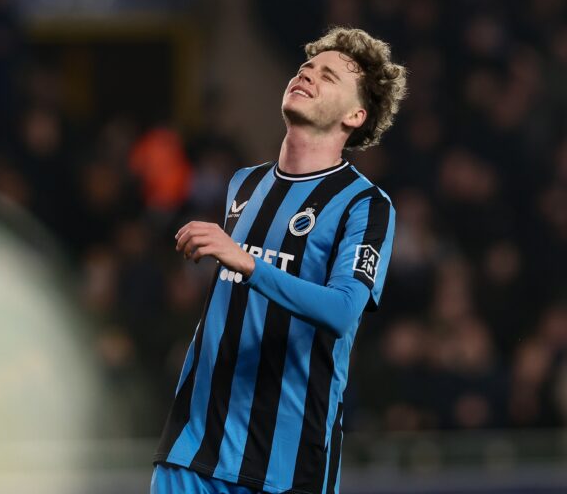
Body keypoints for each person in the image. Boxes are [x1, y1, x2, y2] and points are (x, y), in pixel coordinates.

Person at [151, 27, 407, 494]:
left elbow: (343, 309)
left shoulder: (365, 205)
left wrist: (246, 261)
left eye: (328, 76)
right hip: (190, 451)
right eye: (306, 68)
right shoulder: (244, 185)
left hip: (283, 467)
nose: (307, 76)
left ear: (356, 114)